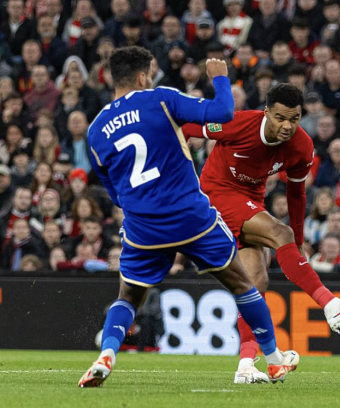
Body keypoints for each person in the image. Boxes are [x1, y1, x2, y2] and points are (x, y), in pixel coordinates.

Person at [79, 47, 296, 388]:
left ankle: (107, 353)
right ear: (142, 77)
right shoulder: (160, 99)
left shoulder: (96, 130)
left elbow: (114, 190)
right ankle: (273, 360)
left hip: (143, 226)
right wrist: (220, 77)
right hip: (190, 216)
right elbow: (223, 112)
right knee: (243, 283)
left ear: (109, 77)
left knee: (128, 297)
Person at [181, 83, 340, 384]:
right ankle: (331, 305)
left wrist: (297, 241)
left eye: (294, 119)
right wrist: (179, 175)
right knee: (278, 232)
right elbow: (188, 128)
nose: (287, 126)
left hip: (251, 201)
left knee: (255, 283)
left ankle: (246, 365)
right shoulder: (238, 123)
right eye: (280, 118)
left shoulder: (302, 146)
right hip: (215, 193)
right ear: (266, 112)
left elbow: (297, 194)